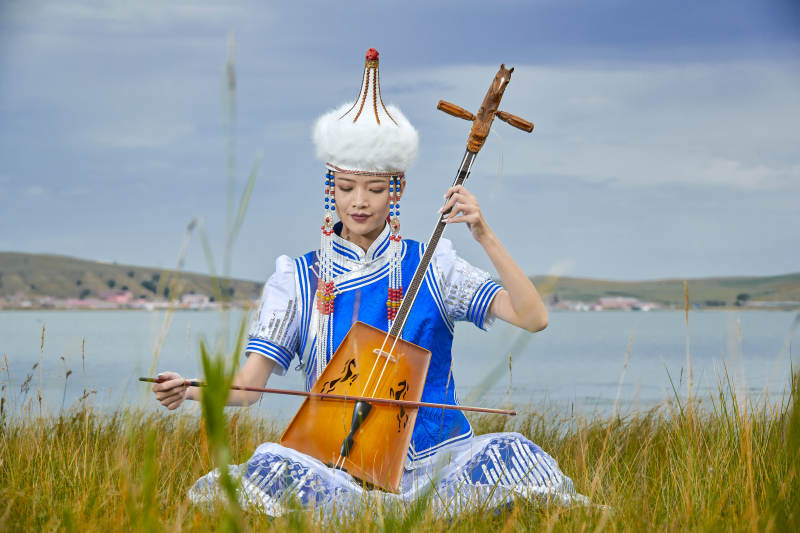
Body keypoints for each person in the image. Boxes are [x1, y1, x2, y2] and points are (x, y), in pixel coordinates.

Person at [153, 48, 584, 517]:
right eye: (345, 188)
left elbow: (533, 318)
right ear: (330, 188)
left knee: (512, 457)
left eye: (375, 189)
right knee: (272, 466)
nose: (359, 202)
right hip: (338, 467)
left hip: (439, 464)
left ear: (395, 189)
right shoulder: (298, 280)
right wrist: (189, 388)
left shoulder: (434, 264)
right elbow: (250, 388)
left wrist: (484, 234)